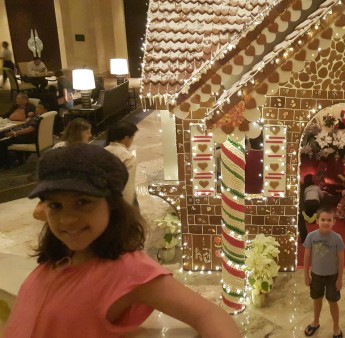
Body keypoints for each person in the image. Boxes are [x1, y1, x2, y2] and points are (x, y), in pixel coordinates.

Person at [4, 144, 241, 337]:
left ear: (112, 206)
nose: (66, 219)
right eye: (55, 205)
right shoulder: (59, 257)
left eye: (83, 202)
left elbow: (206, 314)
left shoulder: (129, 269)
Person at [303, 207, 345, 338]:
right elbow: (306, 256)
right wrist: (306, 275)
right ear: (317, 221)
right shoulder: (311, 236)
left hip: (332, 276)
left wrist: (340, 278)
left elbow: (341, 259)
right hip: (316, 275)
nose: (326, 222)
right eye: (323, 219)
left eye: (329, 220)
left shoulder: (337, 238)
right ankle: (315, 322)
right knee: (317, 299)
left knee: (333, 301)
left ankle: (336, 327)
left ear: (334, 222)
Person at [0, 102, 48, 167]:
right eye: (37, 107)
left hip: (29, 138)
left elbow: (30, 129)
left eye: (39, 108)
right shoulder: (42, 116)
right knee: (4, 135)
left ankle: (5, 163)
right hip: (32, 137)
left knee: (3, 142)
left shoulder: (38, 117)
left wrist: (15, 133)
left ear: (45, 110)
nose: (36, 109)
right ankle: (16, 159)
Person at [105, 121, 139, 206]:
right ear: (126, 138)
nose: (132, 141)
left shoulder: (103, 151)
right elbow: (128, 186)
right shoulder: (128, 157)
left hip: (105, 199)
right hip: (121, 201)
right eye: (132, 138)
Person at [298, 174, 324, 243]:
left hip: (307, 204)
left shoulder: (305, 189)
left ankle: (310, 218)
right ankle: (315, 217)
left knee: (307, 213)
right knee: (317, 210)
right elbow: (321, 196)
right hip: (316, 203)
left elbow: (304, 197)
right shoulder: (317, 187)